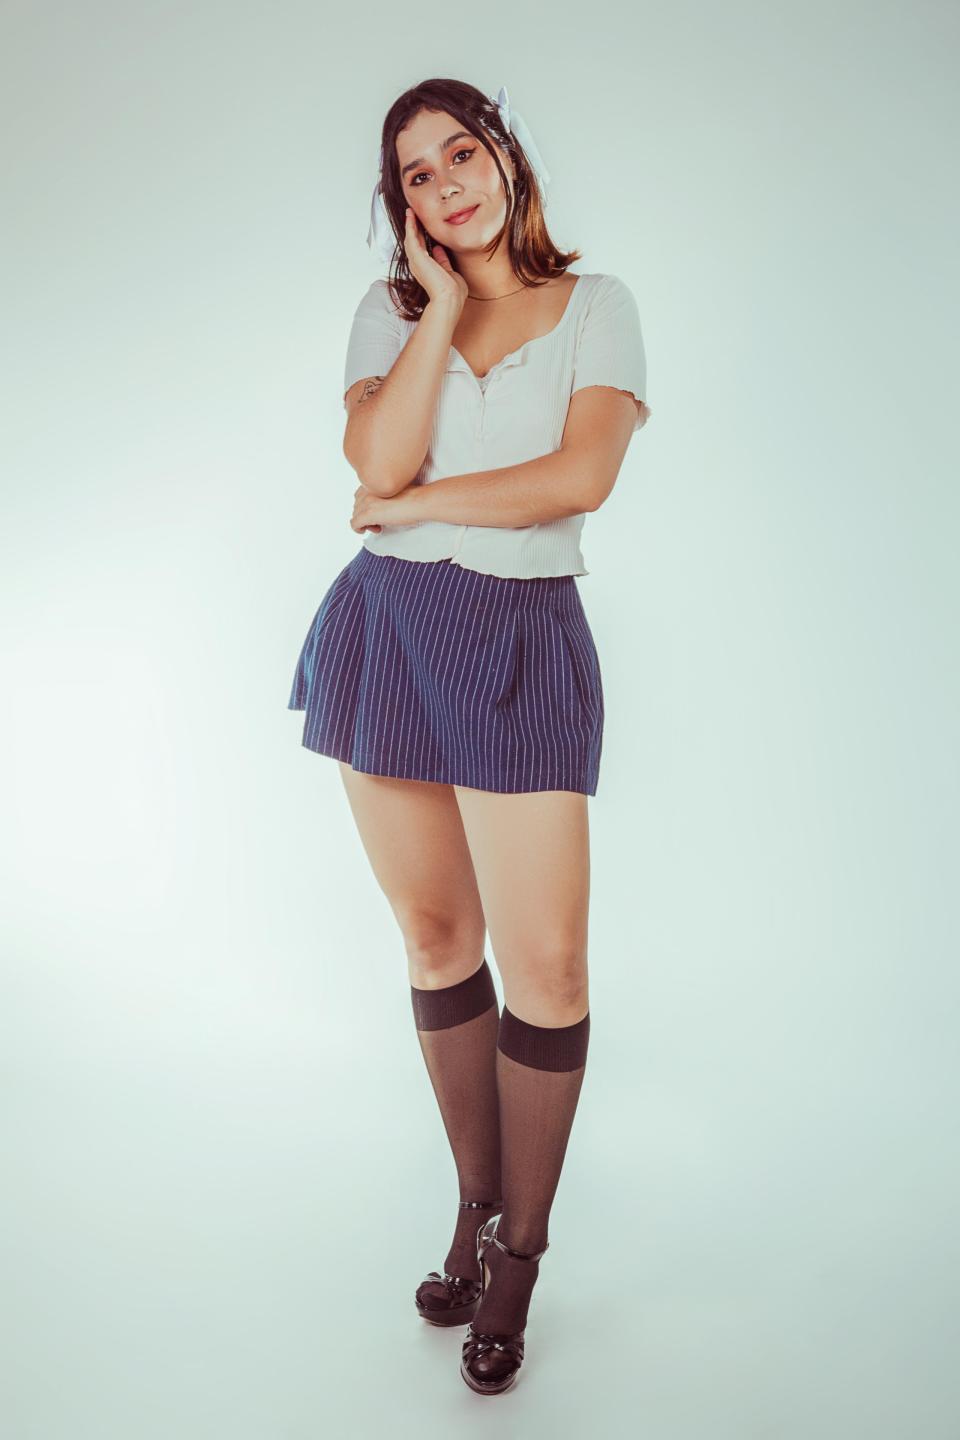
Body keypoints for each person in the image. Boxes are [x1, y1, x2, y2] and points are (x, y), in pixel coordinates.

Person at [287, 77, 650, 1396]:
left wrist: (420, 505)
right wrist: (439, 310)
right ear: (404, 209)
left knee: (546, 967)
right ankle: (474, 1206)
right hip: (388, 628)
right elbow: (374, 467)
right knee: (439, 939)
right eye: (418, 176)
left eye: (461, 153)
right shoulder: (390, 313)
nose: (448, 184)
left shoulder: (596, 306)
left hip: (521, 636)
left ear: (503, 154)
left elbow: (579, 477)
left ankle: (521, 1256)